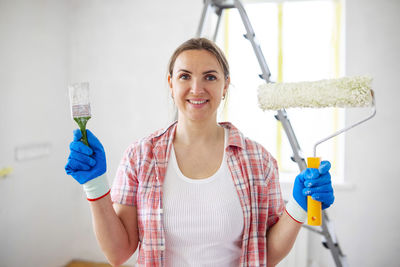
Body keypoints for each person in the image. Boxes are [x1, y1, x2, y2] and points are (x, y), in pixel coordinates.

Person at [65, 37, 334, 267]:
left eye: (210, 77)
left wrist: (299, 206)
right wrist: (95, 185)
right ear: (171, 84)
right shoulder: (140, 156)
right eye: (185, 76)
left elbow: (268, 255)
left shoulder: (258, 160)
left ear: (225, 85)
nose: (197, 88)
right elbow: (118, 253)